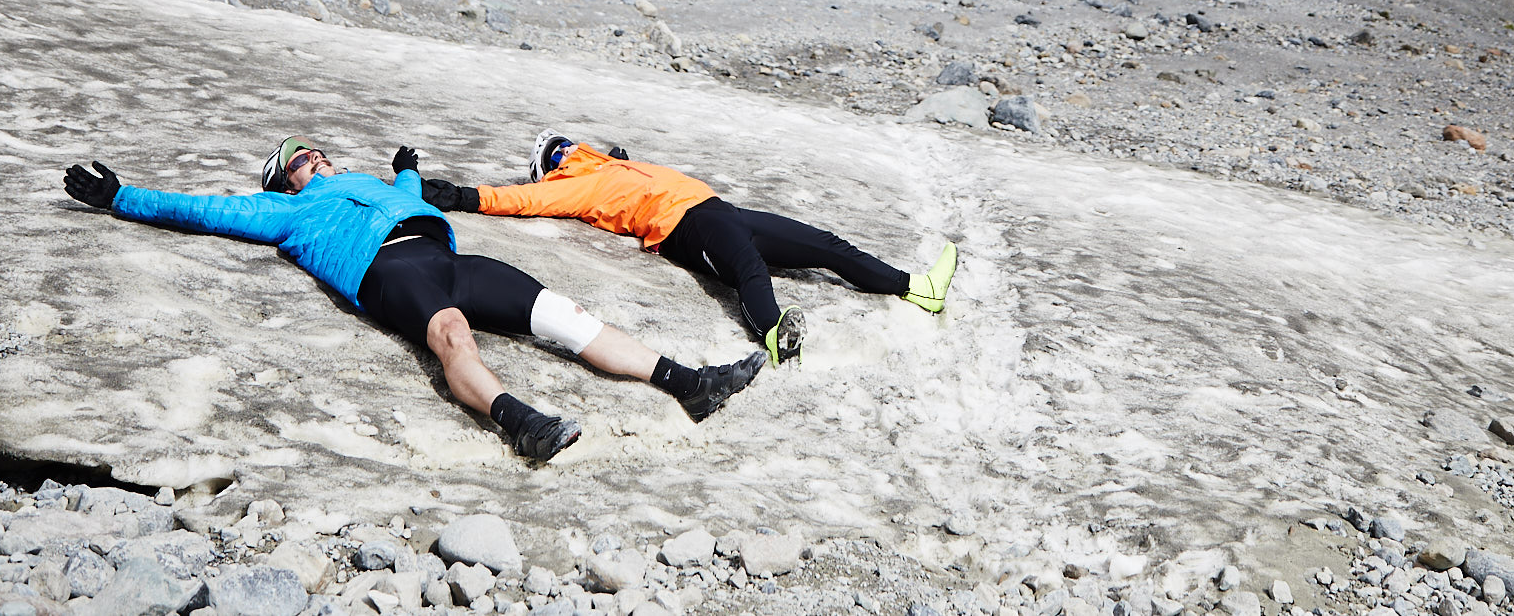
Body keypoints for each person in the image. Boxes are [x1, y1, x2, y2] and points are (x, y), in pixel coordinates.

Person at [61, 138, 762, 462]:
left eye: (316, 150)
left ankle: (690, 382)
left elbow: (406, 194)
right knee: (452, 333)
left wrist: (403, 171)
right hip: (386, 272)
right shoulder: (283, 213)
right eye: (301, 158)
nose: (317, 157)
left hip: (442, 253)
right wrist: (124, 197)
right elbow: (205, 210)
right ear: (285, 182)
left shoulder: (365, 179)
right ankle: (524, 424)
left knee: (564, 315)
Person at [420, 137, 957, 368]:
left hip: (722, 209)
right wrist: (465, 196)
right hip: (686, 227)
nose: (563, 151)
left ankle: (915, 287)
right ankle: (774, 333)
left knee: (823, 245)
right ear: (552, 168)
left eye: (561, 144)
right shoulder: (574, 186)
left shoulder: (608, 166)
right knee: (746, 269)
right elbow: (524, 199)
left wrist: (611, 159)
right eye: (554, 154)